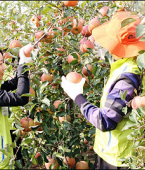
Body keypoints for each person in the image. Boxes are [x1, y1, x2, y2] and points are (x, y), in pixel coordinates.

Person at [61, 11, 145, 169]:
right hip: (118, 152)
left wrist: (77, 95)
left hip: (118, 158)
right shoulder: (136, 64)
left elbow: (104, 120)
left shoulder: (127, 76)